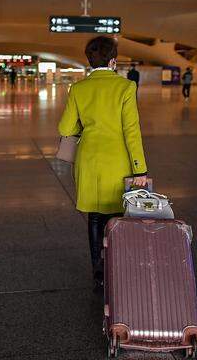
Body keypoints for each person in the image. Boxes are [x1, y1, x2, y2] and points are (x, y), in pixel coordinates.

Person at [58, 36, 148, 290]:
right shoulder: (125, 87)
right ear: (113, 60)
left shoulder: (78, 89)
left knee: (95, 216)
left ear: (89, 60)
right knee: (118, 215)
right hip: (118, 162)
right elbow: (132, 131)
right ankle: (118, 267)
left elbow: (65, 127)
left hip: (89, 161)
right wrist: (139, 168)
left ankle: (98, 272)